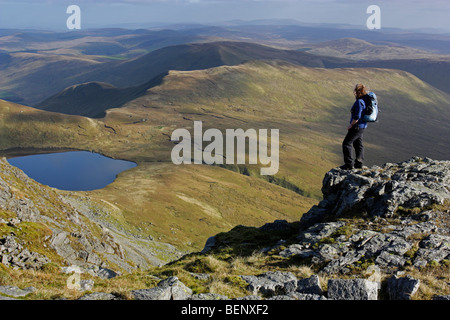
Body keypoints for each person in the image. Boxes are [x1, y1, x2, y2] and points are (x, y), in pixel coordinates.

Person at [341, 83, 368, 170]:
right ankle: (359, 163)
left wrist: (351, 125)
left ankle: (349, 164)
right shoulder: (364, 101)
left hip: (356, 126)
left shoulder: (359, 102)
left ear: (357, 92)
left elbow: (357, 116)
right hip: (362, 126)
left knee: (346, 143)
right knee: (358, 144)